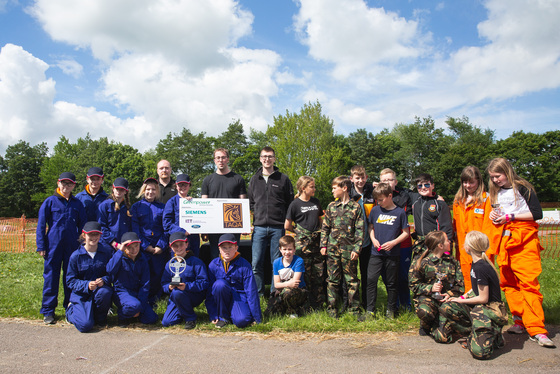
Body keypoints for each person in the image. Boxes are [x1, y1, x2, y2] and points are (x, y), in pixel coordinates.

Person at [486, 157, 555, 348]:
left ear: (506, 171)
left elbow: (537, 213)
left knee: (529, 285)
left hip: (524, 242)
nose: (495, 180)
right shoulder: (496, 192)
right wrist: (495, 215)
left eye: (497, 176)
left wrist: (511, 216)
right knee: (508, 283)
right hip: (505, 242)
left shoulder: (523, 188)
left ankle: (538, 329)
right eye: (492, 177)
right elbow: (497, 214)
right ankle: (520, 321)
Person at [435, 231, 508, 359]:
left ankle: (493, 334)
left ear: (469, 248)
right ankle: (476, 332)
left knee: (480, 353)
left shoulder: (481, 268)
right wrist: (461, 298)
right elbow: (476, 289)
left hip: (490, 310)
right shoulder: (475, 263)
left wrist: (460, 301)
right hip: (481, 307)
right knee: (448, 307)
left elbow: (483, 298)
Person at [37, 172, 87, 324]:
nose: (66, 186)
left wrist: (82, 245)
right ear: (58, 183)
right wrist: (41, 245)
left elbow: (83, 226)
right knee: (51, 277)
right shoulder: (50, 202)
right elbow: (41, 225)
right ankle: (48, 310)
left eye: (69, 184)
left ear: (73, 186)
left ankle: (70, 308)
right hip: (53, 245)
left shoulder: (78, 203)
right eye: (63, 183)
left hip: (72, 246)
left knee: (70, 278)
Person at [248, 146, 294, 297]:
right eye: (264, 156)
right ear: (260, 159)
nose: (267, 159)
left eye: (270, 156)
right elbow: (250, 202)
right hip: (259, 227)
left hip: (277, 226)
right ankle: (259, 295)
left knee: (276, 263)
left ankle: (275, 294)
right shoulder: (254, 179)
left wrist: (286, 222)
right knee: (256, 263)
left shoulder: (283, 179)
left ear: (274, 158)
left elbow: (290, 203)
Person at [320, 176, 364, 319]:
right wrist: (323, 245)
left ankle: (354, 310)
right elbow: (325, 228)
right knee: (332, 280)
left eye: (334, 188)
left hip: (349, 250)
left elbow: (360, 230)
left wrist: (357, 249)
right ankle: (332, 309)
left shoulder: (356, 207)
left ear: (344, 188)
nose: (332, 191)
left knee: (351, 280)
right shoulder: (331, 206)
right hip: (332, 249)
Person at [366, 183, 410, 318]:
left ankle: (391, 310)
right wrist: (373, 239)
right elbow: (370, 227)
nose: (378, 203)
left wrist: (393, 242)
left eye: (381, 200)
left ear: (390, 196)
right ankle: (370, 311)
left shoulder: (400, 212)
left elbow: (406, 233)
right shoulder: (375, 210)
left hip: (393, 254)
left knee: (391, 283)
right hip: (376, 253)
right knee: (371, 280)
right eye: (377, 200)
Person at [409, 231, 464, 337]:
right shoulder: (422, 262)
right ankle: (426, 324)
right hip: (429, 299)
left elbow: (460, 285)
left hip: (447, 301)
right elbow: (413, 285)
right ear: (440, 245)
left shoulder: (453, 262)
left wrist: (450, 294)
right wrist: (430, 288)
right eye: (447, 240)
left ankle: (440, 323)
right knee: (424, 311)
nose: (450, 242)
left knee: (442, 337)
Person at [285, 176, 325, 310]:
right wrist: (299, 232)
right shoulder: (295, 204)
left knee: (318, 274)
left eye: (314, 186)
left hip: (316, 244)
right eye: (312, 187)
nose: (314, 189)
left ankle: (318, 304)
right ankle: (305, 304)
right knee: (305, 275)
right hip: (303, 246)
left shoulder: (316, 202)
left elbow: (320, 219)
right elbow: (287, 225)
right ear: (303, 188)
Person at [65, 221, 113, 332]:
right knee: (85, 326)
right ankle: (71, 311)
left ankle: (99, 316)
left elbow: (112, 274)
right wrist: (86, 285)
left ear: (100, 235)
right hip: (81, 295)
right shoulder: (75, 256)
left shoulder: (106, 253)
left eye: (96, 234)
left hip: (99, 293)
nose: (94, 237)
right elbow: (70, 280)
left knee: (105, 293)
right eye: (90, 234)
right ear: (84, 235)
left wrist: (104, 280)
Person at [206, 234, 262, 328]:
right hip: (221, 298)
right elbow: (209, 292)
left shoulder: (244, 265)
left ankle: (234, 313)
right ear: (219, 249)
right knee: (219, 285)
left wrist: (257, 318)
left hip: (239, 297)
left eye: (230, 247)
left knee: (242, 321)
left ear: (236, 248)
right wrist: (213, 314)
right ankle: (223, 317)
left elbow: (251, 291)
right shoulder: (213, 265)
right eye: (224, 248)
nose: (227, 251)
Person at [201, 148, 247, 259]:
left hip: (233, 225)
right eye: (218, 158)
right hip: (214, 226)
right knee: (215, 257)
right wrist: (204, 229)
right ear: (214, 160)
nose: (220, 160)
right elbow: (204, 205)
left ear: (227, 159)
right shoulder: (207, 180)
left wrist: (244, 225)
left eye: (223, 157)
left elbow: (243, 203)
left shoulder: (238, 179)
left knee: (233, 256)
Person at [452, 166, 493, 291]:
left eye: (471, 182)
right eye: (465, 182)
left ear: (479, 181)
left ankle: (486, 306)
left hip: (480, 249)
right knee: (465, 278)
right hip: (463, 249)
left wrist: (485, 249)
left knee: (482, 279)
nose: (468, 185)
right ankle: (468, 306)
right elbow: (455, 226)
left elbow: (489, 227)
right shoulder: (458, 201)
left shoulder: (486, 199)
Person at [106, 232, 158, 326]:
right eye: (130, 247)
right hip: (122, 292)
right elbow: (109, 270)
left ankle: (134, 314)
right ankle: (122, 315)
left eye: (136, 246)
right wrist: (120, 251)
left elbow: (145, 283)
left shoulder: (142, 259)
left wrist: (141, 304)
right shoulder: (119, 258)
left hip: (137, 293)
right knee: (134, 306)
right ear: (124, 247)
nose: (134, 250)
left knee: (151, 318)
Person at [379, 168, 413, 310]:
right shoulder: (376, 196)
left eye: (390, 180)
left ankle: (406, 304)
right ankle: (394, 304)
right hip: (384, 243)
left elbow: (424, 195)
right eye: (384, 180)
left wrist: (437, 199)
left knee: (403, 276)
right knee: (387, 276)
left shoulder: (407, 196)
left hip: (403, 243)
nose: (387, 182)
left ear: (395, 182)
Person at [131, 177, 169, 304]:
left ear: (157, 191)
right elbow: (135, 229)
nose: (150, 192)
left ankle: (156, 300)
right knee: (143, 275)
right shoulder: (136, 207)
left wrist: (161, 246)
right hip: (142, 248)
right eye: (148, 189)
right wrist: (145, 246)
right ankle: (142, 299)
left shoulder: (163, 207)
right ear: (143, 190)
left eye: (153, 189)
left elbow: (166, 228)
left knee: (158, 273)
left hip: (159, 248)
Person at [161, 232, 209, 329]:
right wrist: (169, 287)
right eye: (175, 246)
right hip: (176, 296)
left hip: (193, 295)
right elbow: (164, 283)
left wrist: (186, 286)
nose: (178, 248)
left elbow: (204, 282)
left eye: (181, 245)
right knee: (167, 322)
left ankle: (190, 318)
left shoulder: (196, 262)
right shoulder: (169, 264)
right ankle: (182, 311)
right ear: (171, 247)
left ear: (187, 244)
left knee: (178, 292)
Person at [411, 173, 453, 267]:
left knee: (435, 271)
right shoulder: (415, 203)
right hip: (420, 244)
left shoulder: (439, 203)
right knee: (418, 270)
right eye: (420, 185)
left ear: (432, 186)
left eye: (426, 184)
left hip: (436, 244)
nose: (423, 188)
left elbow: (447, 227)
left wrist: (446, 249)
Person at [349, 165, 375, 310]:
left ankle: (366, 303)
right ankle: (351, 303)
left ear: (366, 178)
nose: (360, 181)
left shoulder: (372, 193)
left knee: (366, 275)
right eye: (357, 178)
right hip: (351, 242)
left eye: (362, 177)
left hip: (367, 241)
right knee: (350, 275)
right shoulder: (348, 193)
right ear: (351, 179)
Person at [264, 235, 308, 318]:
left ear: (294, 249)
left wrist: (282, 286)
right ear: (280, 249)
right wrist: (284, 285)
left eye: (290, 249)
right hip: (281, 289)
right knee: (270, 313)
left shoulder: (299, 261)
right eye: (284, 249)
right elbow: (276, 284)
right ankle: (283, 308)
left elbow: (294, 284)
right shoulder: (276, 262)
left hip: (298, 291)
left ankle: (293, 311)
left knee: (288, 292)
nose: (287, 252)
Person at [163, 174, 200, 257]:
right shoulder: (171, 202)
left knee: (193, 264)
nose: (183, 187)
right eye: (180, 185)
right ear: (176, 186)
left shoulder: (195, 203)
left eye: (185, 184)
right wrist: (183, 231)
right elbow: (167, 224)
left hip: (193, 240)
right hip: (177, 241)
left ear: (189, 186)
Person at [98, 177, 132, 249]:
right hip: (107, 245)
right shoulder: (105, 205)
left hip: (124, 245)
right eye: (117, 189)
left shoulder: (128, 208)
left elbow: (129, 228)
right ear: (113, 189)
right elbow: (101, 226)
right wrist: (113, 243)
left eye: (122, 190)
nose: (119, 191)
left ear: (126, 191)